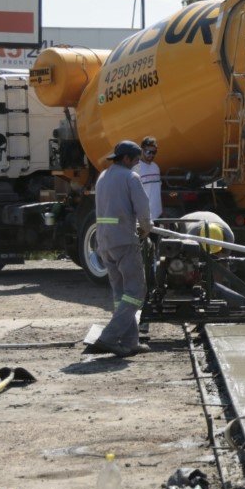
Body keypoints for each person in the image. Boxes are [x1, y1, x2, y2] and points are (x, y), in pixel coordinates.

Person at [90, 140, 153, 358]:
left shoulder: (102, 177)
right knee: (136, 293)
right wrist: (146, 229)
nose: (137, 164)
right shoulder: (130, 178)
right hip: (125, 241)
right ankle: (108, 337)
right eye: (135, 160)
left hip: (104, 242)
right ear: (126, 158)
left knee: (121, 294)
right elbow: (143, 209)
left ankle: (130, 341)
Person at [135, 136, 162, 223]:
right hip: (142, 218)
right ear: (142, 150)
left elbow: (157, 192)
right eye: (148, 152)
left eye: (154, 152)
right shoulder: (136, 168)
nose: (151, 155)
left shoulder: (156, 167)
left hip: (156, 216)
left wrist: (161, 212)